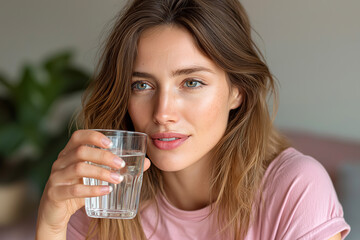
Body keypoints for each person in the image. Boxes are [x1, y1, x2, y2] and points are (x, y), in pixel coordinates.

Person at [36, 0, 350, 239]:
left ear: (237, 91)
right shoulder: (103, 195)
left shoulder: (296, 188)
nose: (162, 113)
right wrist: (51, 224)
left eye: (191, 82)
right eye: (142, 85)